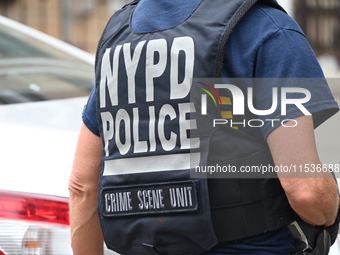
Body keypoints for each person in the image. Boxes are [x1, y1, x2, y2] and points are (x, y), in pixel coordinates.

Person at [69, 0, 340, 254]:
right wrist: (330, 207)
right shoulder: (266, 29)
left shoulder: (121, 39)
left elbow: (82, 187)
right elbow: (305, 191)